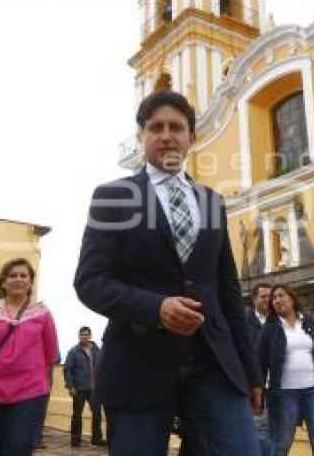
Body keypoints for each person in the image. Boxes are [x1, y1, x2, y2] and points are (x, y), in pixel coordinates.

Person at [75, 90, 263, 455]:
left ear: (191, 137)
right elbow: (90, 281)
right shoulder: (113, 197)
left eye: (176, 127)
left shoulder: (212, 201)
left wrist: (251, 372)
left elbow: (228, 290)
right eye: (155, 127)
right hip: (139, 363)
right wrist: (155, 308)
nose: (166, 135)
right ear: (142, 137)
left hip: (213, 361)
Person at [0, 257, 58, 455]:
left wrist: (33, 375)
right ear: (3, 281)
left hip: (29, 392)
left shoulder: (42, 313)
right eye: (12, 275)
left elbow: (51, 353)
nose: (18, 279)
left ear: (30, 282)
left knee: (19, 446)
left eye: (23, 275)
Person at [258, 284, 314, 456]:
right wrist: (257, 391)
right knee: (282, 443)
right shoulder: (270, 328)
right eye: (274, 298)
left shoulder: (310, 322)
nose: (277, 300)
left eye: (281, 295)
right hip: (284, 394)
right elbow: (259, 360)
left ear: (292, 298)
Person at [64, 326, 107, 447]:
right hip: (79, 389)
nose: (84, 336)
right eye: (82, 334)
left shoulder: (97, 350)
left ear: (90, 336)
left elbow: (102, 366)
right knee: (77, 414)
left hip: (95, 389)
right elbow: (67, 369)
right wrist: (70, 386)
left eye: (86, 334)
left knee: (97, 413)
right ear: (79, 336)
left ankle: (97, 438)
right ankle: (75, 439)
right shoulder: (73, 351)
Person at [246, 283, 273, 456]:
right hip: (257, 386)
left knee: (278, 431)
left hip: (280, 386)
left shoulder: (279, 320)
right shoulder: (244, 322)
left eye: (270, 296)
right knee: (260, 431)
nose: (267, 300)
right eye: (263, 296)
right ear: (254, 299)